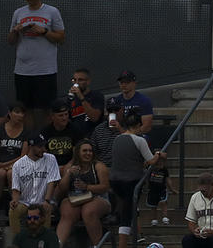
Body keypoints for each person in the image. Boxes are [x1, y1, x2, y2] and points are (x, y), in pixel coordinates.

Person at [7, 0, 66, 128]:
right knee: (25, 108)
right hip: (23, 70)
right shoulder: (18, 12)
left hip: (45, 70)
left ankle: (45, 137)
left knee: (46, 108)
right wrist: (16, 30)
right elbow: (11, 40)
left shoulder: (52, 11)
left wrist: (44, 31)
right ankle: (30, 139)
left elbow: (61, 38)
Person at [110, 109, 166, 248]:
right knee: (127, 215)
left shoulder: (118, 138)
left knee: (129, 210)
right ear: (137, 126)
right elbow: (151, 161)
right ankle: (122, 244)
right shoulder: (139, 140)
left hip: (115, 181)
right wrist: (159, 154)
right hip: (131, 181)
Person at [7, 133, 60, 247]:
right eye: (40, 147)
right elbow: (16, 189)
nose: (44, 149)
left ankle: (45, 242)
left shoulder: (50, 159)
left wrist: (47, 200)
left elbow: (52, 182)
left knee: (46, 208)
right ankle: (18, 242)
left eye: (44, 146)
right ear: (31, 146)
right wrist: (15, 200)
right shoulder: (18, 165)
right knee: (13, 211)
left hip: (42, 200)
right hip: (25, 202)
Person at [56, 140, 111, 246]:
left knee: (88, 211)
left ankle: (97, 244)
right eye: (84, 151)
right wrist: (68, 174)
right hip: (75, 197)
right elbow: (62, 188)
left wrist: (87, 187)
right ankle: (58, 244)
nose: (88, 153)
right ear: (78, 153)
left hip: (98, 197)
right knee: (67, 212)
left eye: (90, 151)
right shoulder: (70, 166)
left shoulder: (99, 166)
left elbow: (105, 187)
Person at [0, 102, 27, 216]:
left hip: (18, 165)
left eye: (22, 113)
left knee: (10, 174)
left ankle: (15, 209)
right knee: (0, 174)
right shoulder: (0, 130)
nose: (20, 115)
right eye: (17, 112)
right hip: (1, 164)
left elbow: (23, 157)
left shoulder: (26, 131)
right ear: (9, 113)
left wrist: (3, 165)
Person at [40, 99, 85, 168]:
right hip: (51, 166)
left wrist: (69, 165)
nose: (64, 118)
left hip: (71, 166)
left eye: (66, 114)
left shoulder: (75, 129)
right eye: (60, 115)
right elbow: (43, 154)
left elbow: (77, 154)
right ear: (52, 116)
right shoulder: (45, 132)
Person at [114, 69, 155, 134]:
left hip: (139, 136)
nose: (124, 85)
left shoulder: (144, 101)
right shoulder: (116, 101)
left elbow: (147, 126)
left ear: (134, 83)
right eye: (121, 82)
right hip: (120, 135)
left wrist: (130, 135)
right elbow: (113, 122)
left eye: (127, 82)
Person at [90, 96, 123, 167]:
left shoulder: (128, 125)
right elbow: (92, 152)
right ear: (106, 112)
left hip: (124, 167)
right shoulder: (99, 129)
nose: (113, 113)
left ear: (122, 110)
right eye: (110, 111)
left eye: (116, 110)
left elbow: (136, 144)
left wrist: (120, 129)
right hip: (104, 168)